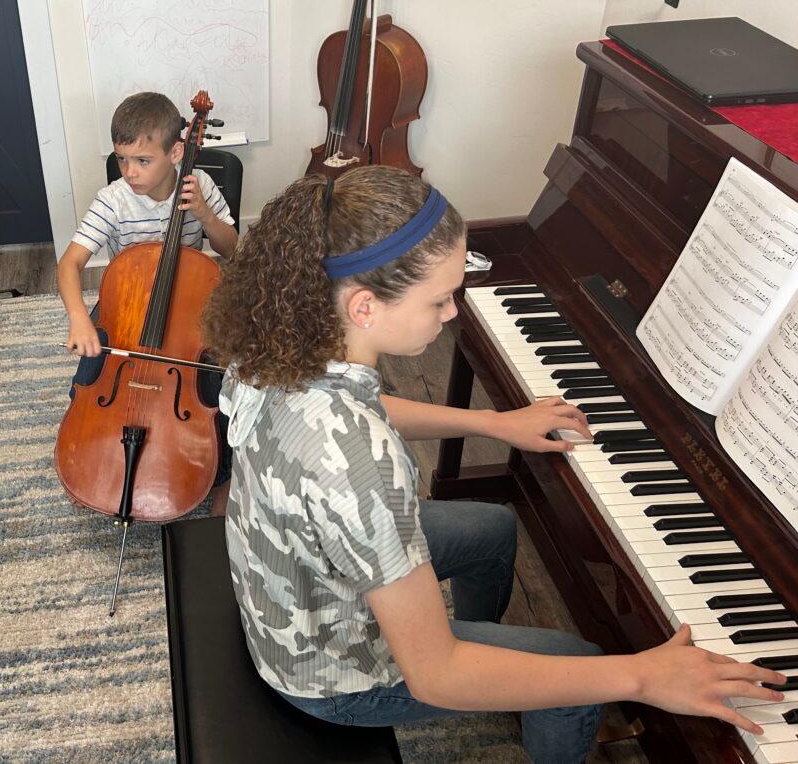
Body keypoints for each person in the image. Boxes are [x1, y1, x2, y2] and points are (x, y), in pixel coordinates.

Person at [201, 167, 785, 762]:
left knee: (493, 529)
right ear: (365, 307)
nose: (453, 312)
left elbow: (357, 406)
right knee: (579, 666)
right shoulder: (361, 463)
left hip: (288, 576)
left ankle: (494, 672)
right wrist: (642, 676)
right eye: (439, 298)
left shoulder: (280, 343)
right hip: (331, 677)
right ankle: (512, 686)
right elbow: (432, 676)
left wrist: (491, 422)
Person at [57, 91, 238, 513]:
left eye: (142, 161)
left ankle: (221, 478)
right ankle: (91, 455)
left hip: (192, 306)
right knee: (87, 382)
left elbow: (231, 249)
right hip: (129, 304)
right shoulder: (114, 199)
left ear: (177, 152)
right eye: (122, 160)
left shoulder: (201, 185)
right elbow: (69, 266)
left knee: (217, 392)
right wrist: (79, 318)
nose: (130, 173)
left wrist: (206, 216)